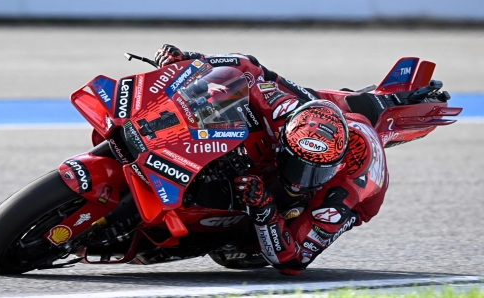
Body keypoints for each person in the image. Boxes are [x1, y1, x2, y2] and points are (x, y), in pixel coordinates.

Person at [154, 44, 389, 275]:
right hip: (322, 113)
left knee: (254, 241)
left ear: (335, 165)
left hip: (355, 195)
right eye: (298, 165)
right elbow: (247, 65)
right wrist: (189, 59)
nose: (300, 180)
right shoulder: (281, 107)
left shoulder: (343, 195)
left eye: (314, 171)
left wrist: (264, 207)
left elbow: (293, 261)